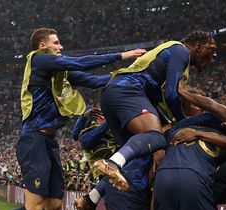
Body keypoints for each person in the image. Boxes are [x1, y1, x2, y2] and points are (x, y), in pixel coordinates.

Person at [0, 28, 145, 210]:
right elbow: (80, 62)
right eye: (56, 43)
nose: (60, 46)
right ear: (42, 46)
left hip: (49, 141)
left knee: (54, 207)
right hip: (33, 138)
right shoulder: (39, 59)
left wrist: (134, 71)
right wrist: (122, 55)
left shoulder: (61, 72)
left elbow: (96, 80)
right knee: (34, 209)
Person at [92, 31, 217, 191]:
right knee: (155, 138)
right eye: (211, 49)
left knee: (140, 153)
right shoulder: (181, 51)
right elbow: (171, 95)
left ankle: (92, 198)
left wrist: (168, 121)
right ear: (198, 47)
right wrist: (182, 121)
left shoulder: (168, 61)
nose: (215, 55)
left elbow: (157, 98)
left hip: (111, 95)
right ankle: (112, 164)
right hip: (127, 90)